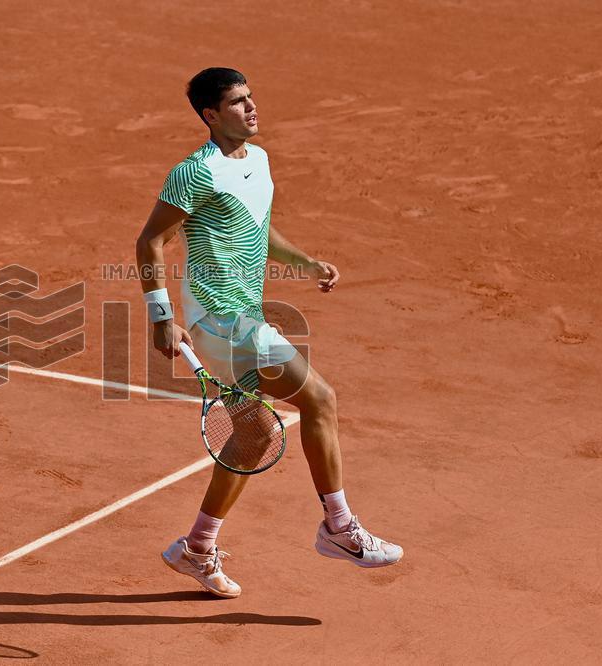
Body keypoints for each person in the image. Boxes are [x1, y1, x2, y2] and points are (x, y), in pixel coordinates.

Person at [135, 67, 403, 599]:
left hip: (244, 315)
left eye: (251, 97)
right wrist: (161, 315)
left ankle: (196, 547)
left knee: (255, 435)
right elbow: (150, 242)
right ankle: (339, 527)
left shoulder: (257, 160)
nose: (251, 108)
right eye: (237, 103)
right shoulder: (194, 172)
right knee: (320, 400)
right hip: (220, 321)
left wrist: (303, 262)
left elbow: (258, 226)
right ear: (211, 116)